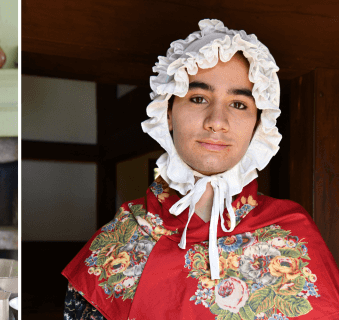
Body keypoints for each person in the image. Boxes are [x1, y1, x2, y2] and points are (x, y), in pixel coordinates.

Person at [62, 19, 339, 319]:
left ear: (259, 123)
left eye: (239, 104)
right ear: (167, 112)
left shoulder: (293, 232)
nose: (217, 121)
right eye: (198, 98)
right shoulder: (118, 237)